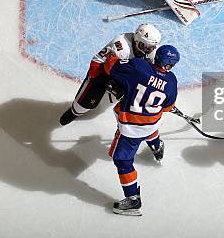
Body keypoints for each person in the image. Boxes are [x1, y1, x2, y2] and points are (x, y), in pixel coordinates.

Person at [104, 45, 180, 216]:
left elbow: (110, 66)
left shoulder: (139, 68)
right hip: (152, 123)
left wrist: (111, 56)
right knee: (149, 129)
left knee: (122, 160)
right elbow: (168, 107)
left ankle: (133, 200)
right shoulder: (172, 81)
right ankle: (157, 146)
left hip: (131, 129)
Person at [59, 23, 162, 126]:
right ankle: (75, 112)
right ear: (137, 41)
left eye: (151, 48)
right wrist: (109, 84)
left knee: (124, 95)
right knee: (85, 103)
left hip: (123, 71)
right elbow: (97, 63)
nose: (149, 51)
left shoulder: (152, 50)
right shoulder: (121, 47)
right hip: (103, 72)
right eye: (145, 47)